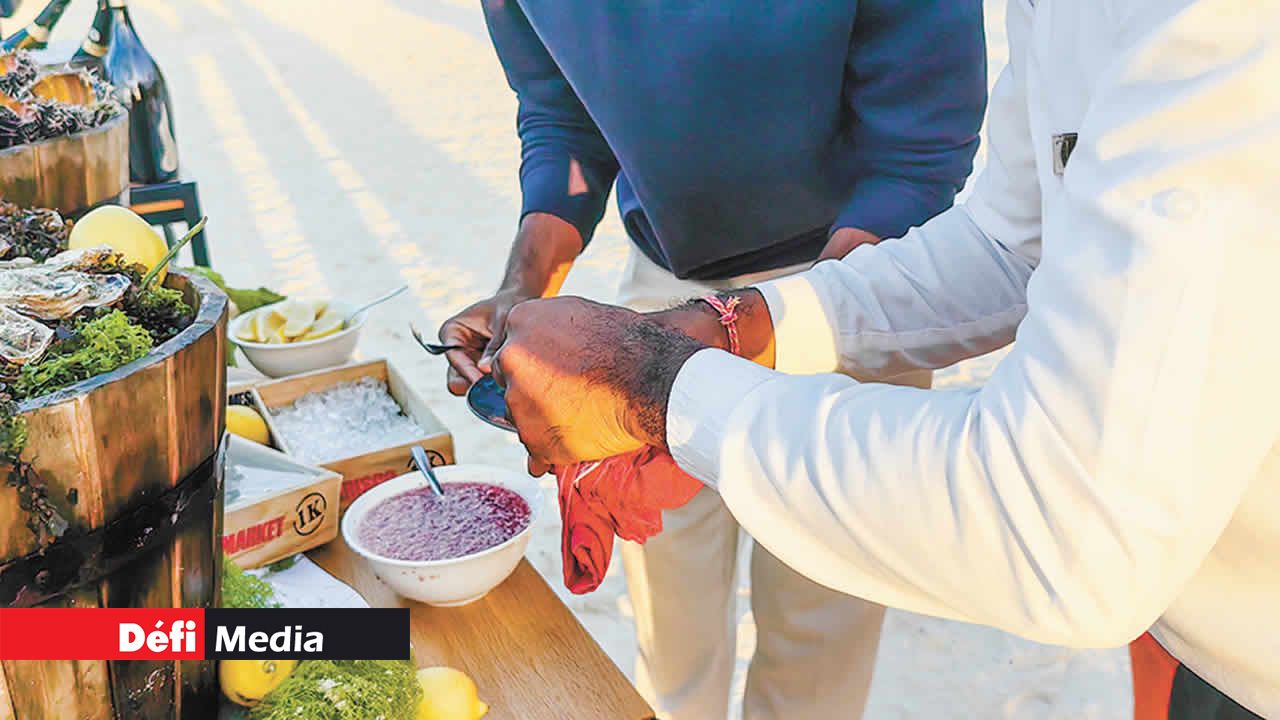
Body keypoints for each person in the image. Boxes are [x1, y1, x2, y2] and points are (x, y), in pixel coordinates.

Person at [485, 0, 1280, 717]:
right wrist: (720, 328)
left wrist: (660, 385)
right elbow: (1008, 240)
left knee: (816, 644)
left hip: (1255, 657)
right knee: (670, 626)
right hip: (1203, 630)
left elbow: (1067, 535)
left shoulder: (1217, 28)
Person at [439, 2, 986, 718]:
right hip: (661, 285)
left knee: (818, 632)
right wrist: (523, 285)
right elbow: (562, 117)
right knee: (670, 627)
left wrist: (768, 324)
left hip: (851, 277)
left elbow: (916, 150)